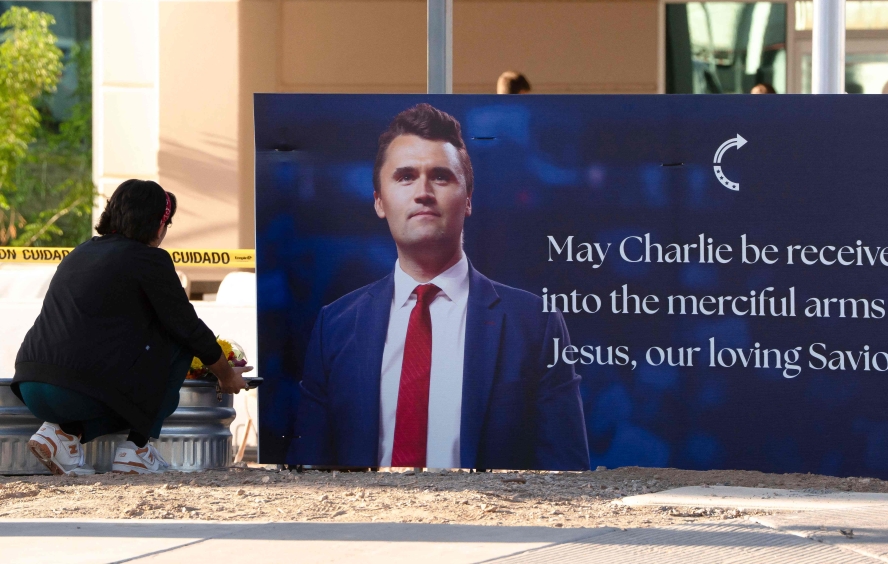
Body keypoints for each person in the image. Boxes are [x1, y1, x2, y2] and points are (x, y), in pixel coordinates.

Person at [288, 104, 589, 471]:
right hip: (366, 526)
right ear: (379, 201)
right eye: (405, 177)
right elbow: (308, 474)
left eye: (441, 177)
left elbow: (568, 478)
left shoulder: (535, 325)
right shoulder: (335, 326)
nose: (423, 192)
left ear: (468, 200)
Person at [12, 180, 251, 475]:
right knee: (174, 339)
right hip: (76, 392)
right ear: (157, 226)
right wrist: (226, 375)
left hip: (30, 384)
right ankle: (137, 448)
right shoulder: (149, 259)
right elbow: (187, 327)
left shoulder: (81, 251)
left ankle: (63, 434)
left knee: (115, 378)